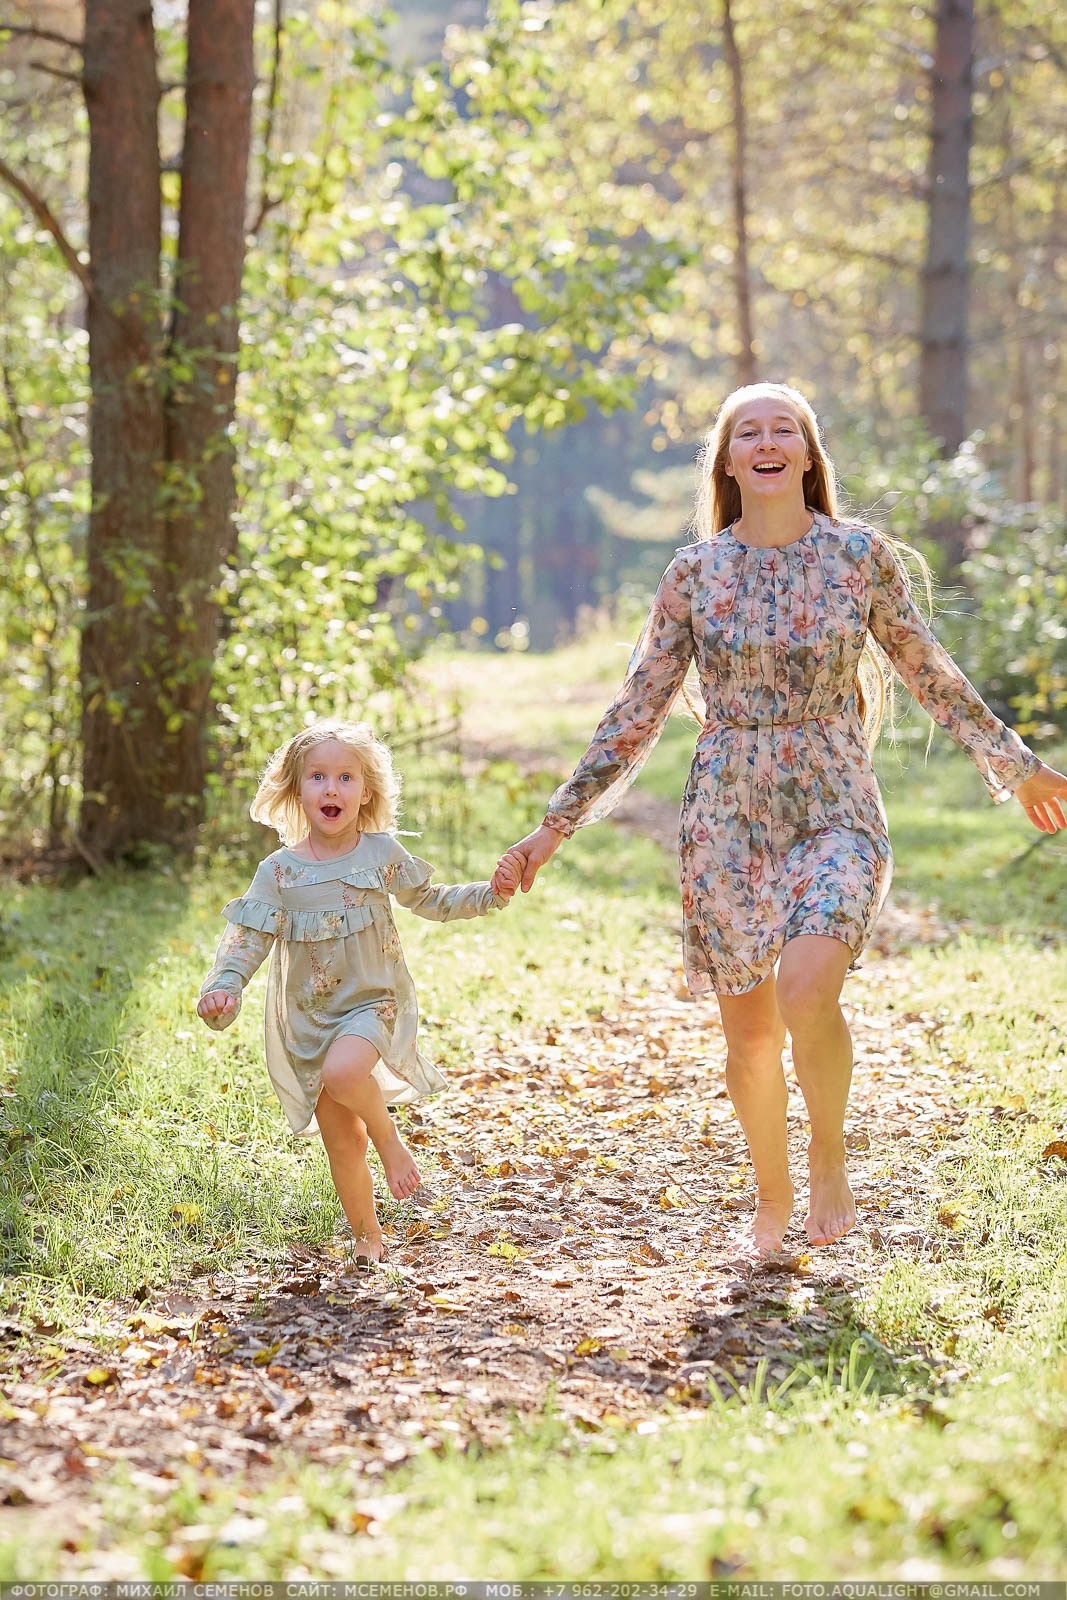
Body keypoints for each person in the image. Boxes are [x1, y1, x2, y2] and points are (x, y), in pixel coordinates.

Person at [492, 382, 1067, 1259]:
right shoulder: (694, 573)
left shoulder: (856, 557)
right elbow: (635, 711)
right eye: (747, 432)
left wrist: (1015, 766)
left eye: (783, 429)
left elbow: (928, 670)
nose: (766, 442)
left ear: (805, 455)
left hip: (834, 801)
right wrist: (553, 827)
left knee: (806, 988)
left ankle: (828, 1152)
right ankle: (771, 1195)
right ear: (727, 462)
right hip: (726, 814)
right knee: (752, 1039)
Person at [198, 719, 520, 1263]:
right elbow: (245, 940)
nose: (331, 789)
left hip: (373, 1000)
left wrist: (490, 893)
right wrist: (223, 988)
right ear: (297, 791)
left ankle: (391, 1142)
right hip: (310, 1019)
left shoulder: (379, 853)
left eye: (345, 777)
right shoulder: (279, 873)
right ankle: (368, 1241)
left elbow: (432, 900)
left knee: (346, 1073)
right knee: (341, 1142)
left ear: (365, 791)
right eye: (317, 777)